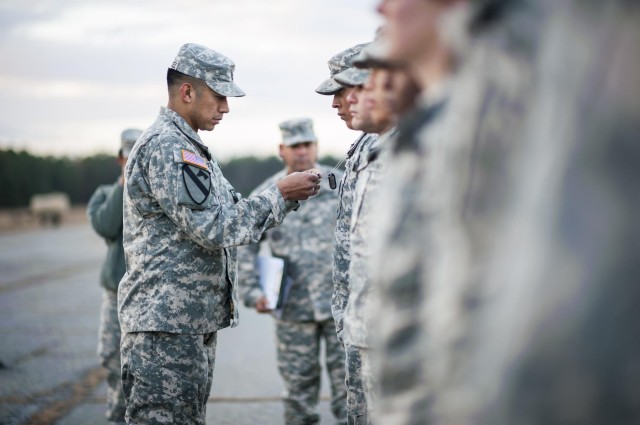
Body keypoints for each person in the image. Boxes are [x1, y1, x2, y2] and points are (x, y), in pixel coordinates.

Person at [118, 43, 321, 425]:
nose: (225, 107)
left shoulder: (189, 147)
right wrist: (279, 194)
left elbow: (227, 212)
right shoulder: (168, 147)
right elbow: (214, 227)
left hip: (184, 323)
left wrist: (280, 196)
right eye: (219, 95)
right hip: (165, 326)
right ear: (188, 92)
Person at [238, 118, 347, 425]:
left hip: (341, 305)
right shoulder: (269, 194)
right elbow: (246, 243)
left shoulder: (340, 184)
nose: (302, 151)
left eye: (307, 144)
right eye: (295, 146)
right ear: (281, 150)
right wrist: (253, 291)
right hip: (293, 308)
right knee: (299, 394)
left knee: (351, 391)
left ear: (316, 146)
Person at [315, 43, 378, 425]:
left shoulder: (398, 145)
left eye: (341, 90)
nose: (336, 103)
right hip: (360, 325)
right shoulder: (365, 145)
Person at [87, 128, 142, 425]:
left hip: (146, 294)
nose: (132, 159)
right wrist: (123, 185)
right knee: (112, 360)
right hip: (116, 293)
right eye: (128, 154)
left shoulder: (156, 191)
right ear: (120, 158)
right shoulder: (104, 195)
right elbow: (107, 226)